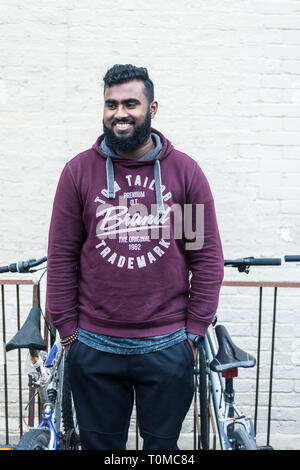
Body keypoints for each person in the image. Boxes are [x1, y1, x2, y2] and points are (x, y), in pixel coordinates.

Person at [47, 64, 224, 450]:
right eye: (111, 104)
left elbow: (205, 257)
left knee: (162, 450)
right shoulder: (79, 173)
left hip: (166, 347)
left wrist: (193, 332)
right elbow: (61, 256)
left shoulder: (181, 174)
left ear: (152, 108)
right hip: (94, 347)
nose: (120, 114)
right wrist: (68, 331)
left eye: (131, 103)